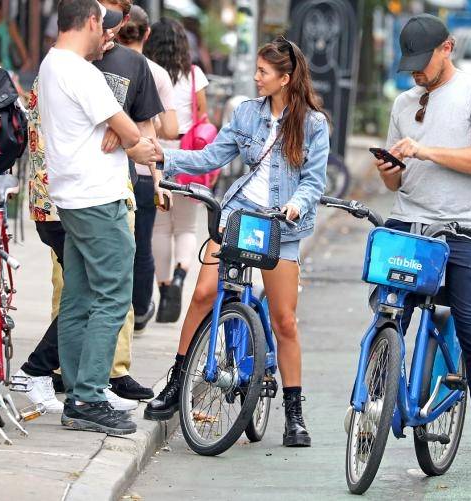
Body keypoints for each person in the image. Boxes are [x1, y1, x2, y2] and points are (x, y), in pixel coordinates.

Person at [145, 37, 330, 448]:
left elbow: (314, 181)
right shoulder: (247, 114)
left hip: (283, 226)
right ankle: (176, 386)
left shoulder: (314, 124)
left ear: (285, 78)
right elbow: (213, 157)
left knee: (284, 321)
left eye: (263, 72)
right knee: (203, 295)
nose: (256, 77)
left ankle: (294, 415)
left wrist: (297, 206)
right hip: (239, 214)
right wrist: (166, 158)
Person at [376, 15, 471, 479]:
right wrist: (390, 168)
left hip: (461, 231)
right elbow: (398, 173)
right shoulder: (403, 102)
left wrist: (426, 150)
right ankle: (375, 406)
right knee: (386, 313)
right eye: (409, 64)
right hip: (410, 228)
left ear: (447, 48)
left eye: (423, 62)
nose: (416, 73)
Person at [37, 0, 156, 434]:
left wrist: (127, 136)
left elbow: (120, 128)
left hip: (70, 197)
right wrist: (135, 142)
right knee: (112, 295)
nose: (106, 33)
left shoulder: (53, 64)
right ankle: (87, 396)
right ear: (89, 20)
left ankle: (76, 395)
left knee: (78, 296)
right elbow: (129, 130)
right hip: (98, 199)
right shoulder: (80, 71)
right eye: (103, 25)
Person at [92, 0, 166, 400]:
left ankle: (116, 370)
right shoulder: (68, 65)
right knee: (68, 285)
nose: (108, 21)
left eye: (117, 12)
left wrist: (157, 179)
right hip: (69, 193)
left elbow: (145, 128)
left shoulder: (134, 66)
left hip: (118, 186)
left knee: (118, 282)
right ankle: (57, 370)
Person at [117, 5, 178, 332]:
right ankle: (139, 311)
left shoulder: (102, 64)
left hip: (114, 169)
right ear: (147, 34)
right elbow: (168, 128)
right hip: (143, 171)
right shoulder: (156, 72)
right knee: (142, 244)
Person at [143, 18, 209, 324]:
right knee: (186, 227)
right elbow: (204, 115)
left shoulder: (147, 72)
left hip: (153, 151)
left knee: (159, 228)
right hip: (187, 155)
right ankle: (182, 275)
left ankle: (164, 286)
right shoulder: (194, 75)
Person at [0, 0, 30, 71]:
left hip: (6, 69)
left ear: (0, 10)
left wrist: (25, 63)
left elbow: (20, 46)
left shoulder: (8, 26)